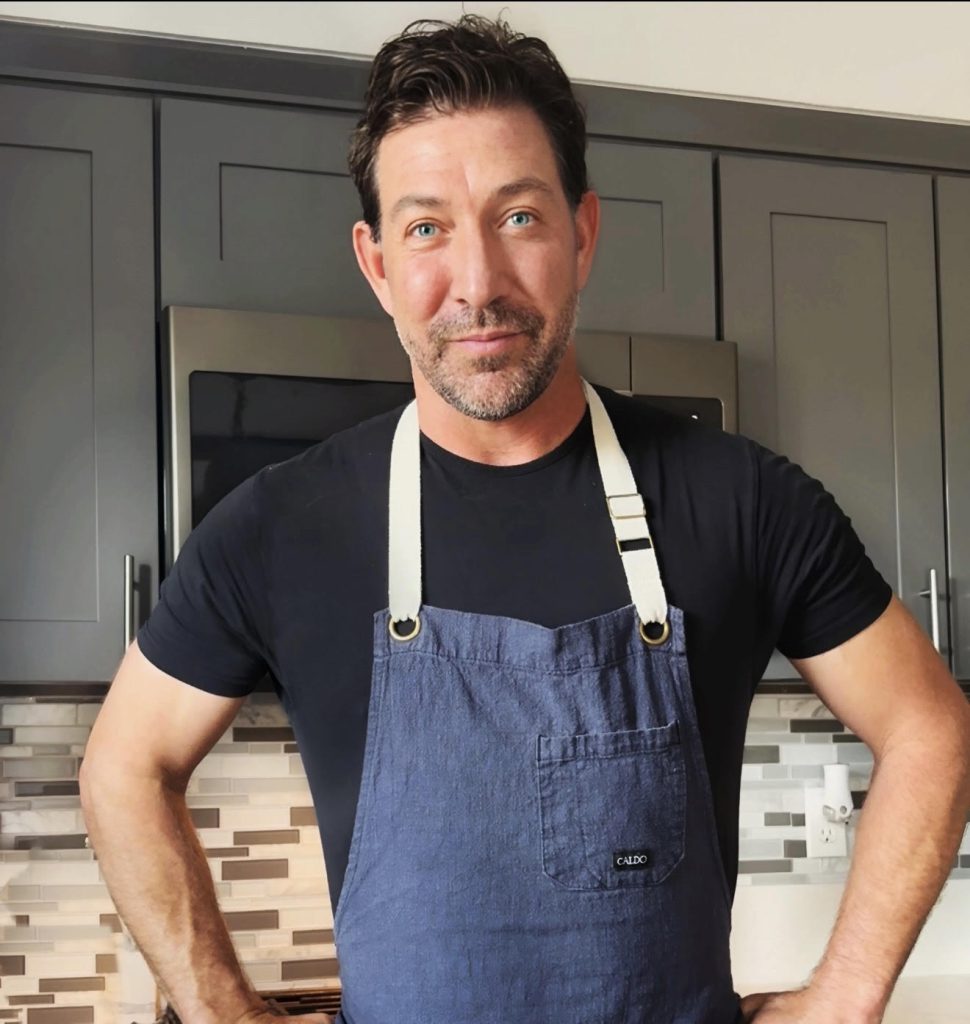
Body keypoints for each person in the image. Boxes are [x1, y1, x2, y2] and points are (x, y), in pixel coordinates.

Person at [79, 15, 970, 1024]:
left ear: (582, 232)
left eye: (518, 218)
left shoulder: (745, 502)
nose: (477, 286)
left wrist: (848, 993)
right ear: (375, 264)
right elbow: (122, 766)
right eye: (426, 228)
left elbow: (930, 726)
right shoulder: (280, 526)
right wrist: (219, 1009)